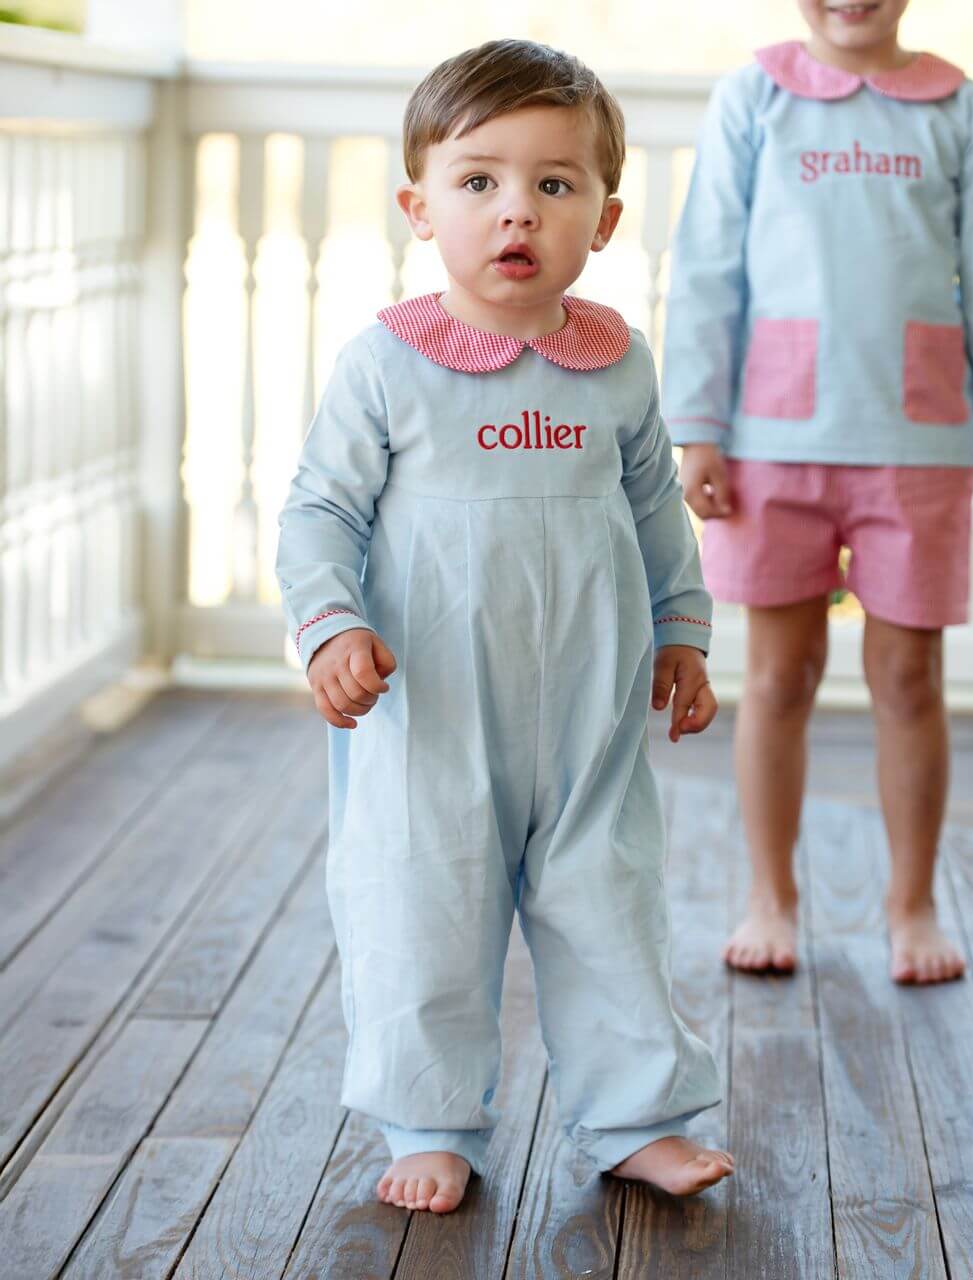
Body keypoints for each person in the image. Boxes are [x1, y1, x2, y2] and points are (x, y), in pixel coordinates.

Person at [276, 38, 734, 1216]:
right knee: (422, 898)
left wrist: (681, 630)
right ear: (418, 206)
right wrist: (331, 626)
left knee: (609, 898)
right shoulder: (386, 365)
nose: (515, 210)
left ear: (605, 216)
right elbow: (319, 507)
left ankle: (634, 1115)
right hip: (428, 701)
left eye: (553, 183)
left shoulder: (618, 365)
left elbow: (653, 512)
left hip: (588, 701)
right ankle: (429, 1115)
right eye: (478, 180)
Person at [664, 0, 973, 984]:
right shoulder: (756, 95)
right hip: (768, 443)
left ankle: (910, 904)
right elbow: (705, 270)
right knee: (778, 680)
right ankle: (769, 893)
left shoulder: (960, 108)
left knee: (909, 682)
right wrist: (696, 422)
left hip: (918, 442)